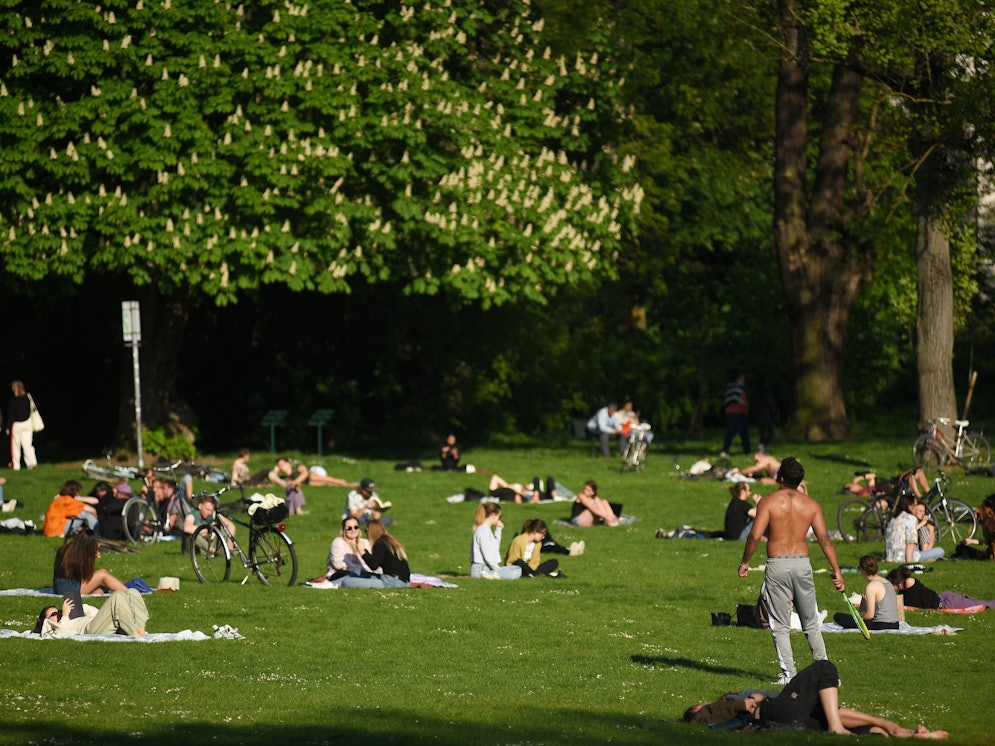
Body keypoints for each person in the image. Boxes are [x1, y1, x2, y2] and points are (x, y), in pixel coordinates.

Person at [738, 456, 844, 684]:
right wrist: (836, 569)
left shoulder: (768, 502)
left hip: (778, 564)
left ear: (780, 478)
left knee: (780, 624)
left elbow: (755, 536)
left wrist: (745, 562)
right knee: (811, 623)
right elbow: (825, 539)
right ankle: (826, 675)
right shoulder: (811, 505)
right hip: (802, 564)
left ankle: (790, 675)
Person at [683, 659, 948, 737]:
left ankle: (900, 731)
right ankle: (838, 728)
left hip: (792, 715)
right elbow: (704, 719)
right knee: (823, 668)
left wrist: (750, 698)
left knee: (834, 714)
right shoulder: (708, 711)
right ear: (697, 707)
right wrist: (743, 702)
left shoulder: (724, 705)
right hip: (774, 712)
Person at [34, 589, 150, 637]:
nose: (58, 614)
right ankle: (135, 635)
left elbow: (97, 613)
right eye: (53, 614)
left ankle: (141, 630)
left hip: (97, 624)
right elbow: (61, 633)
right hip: (89, 630)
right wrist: (64, 615)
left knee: (132, 592)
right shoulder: (55, 626)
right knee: (118, 595)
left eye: (58, 611)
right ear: (46, 619)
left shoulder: (71, 616)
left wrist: (81, 607)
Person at [52, 527, 128, 595]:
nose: (97, 545)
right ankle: (129, 593)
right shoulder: (78, 557)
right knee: (103, 573)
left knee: (102, 589)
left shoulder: (66, 550)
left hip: (59, 587)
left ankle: (89, 597)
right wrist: (92, 557)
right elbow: (86, 575)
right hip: (69, 589)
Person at [832, 555, 900, 630]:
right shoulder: (888, 583)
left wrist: (860, 618)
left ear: (863, 570)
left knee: (838, 616)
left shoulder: (871, 586)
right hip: (895, 624)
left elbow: (870, 615)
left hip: (881, 625)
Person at [338, 520, 411, 588]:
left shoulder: (379, 544)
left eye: (366, 531)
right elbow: (376, 560)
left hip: (392, 582)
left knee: (346, 582)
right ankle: (332, 584)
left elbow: (373, 565)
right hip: (403, 581)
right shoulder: (389, 542)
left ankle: (334, 584)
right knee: (360, 573)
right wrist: (364, 551)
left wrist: (362, 552)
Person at [886, 565, 995, 610]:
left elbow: (907, 604)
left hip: (947, 603)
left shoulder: (909, 583)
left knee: (984, 604)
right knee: (977, 602)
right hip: (944, 598)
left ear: (899, 582)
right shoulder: (903, 590)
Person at [885, 493, 944, 563]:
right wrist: (909, 562)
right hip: (902, 557)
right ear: (910, 506)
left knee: (917, 550)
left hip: (890, 556)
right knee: (940, 551)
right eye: (915, 505)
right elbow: (910, 542)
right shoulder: (910, 518)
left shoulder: (893, 519)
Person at [470, 502, 522, 579]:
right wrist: (498, 569)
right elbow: (487, 556)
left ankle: (493, 575)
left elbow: (495, 548)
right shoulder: (482, 531)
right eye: (499, 516)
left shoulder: (487, 530)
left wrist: (498, 530)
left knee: (517, 568)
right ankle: (491, 575)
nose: (499, 519)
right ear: (493, 515)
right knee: (515, 572)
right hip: (481, 569)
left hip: (487, 567)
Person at [319, 516, 376, 582]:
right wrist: (361, 571)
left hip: (363, 573)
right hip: (341, 574)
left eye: (356, 527)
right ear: (344, 529)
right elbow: (339, 565)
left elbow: (372, 562)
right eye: (349, 528)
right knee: (346, 573)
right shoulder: (338, 542)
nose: (353, 530)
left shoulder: (365, 542)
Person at [6, 380, 38, 470]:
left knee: (16, 446)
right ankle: (32, 463)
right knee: (28, 445)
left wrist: (8, 427)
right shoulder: (27, 398)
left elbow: (11, 415)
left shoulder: (14, 400)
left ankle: (16, 465)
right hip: (27, 423)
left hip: (17, 425)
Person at [720, 372, 750, 457]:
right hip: (739, 413)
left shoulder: (729, 387)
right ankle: (747, 451)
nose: (744, 380)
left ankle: (725, 450)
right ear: (739, 379)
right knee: (743, 433)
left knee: (729, 433)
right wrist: (747, 405)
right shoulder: (739, 388)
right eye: (743, 378)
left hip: (729, 412)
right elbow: (740, 401)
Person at [753, 376, 780, 453]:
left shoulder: (756, 392)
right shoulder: (767, 392)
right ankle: (763, 446)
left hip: (758, 415)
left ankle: (762, 448)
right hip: (766, 415)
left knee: (762, 433)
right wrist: (775, 415)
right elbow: (771, 404)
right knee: (771, 433)